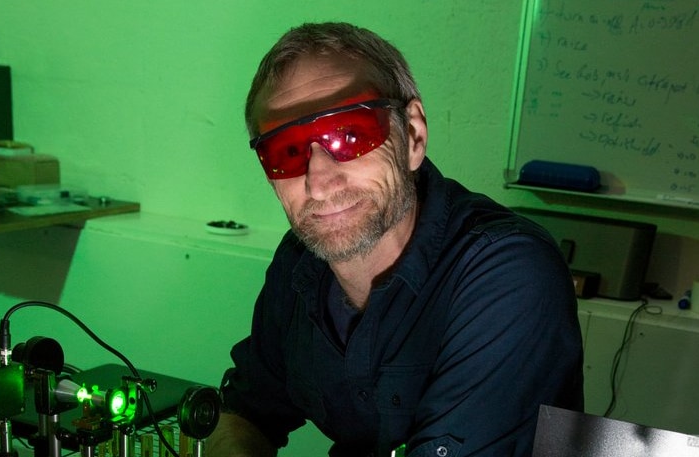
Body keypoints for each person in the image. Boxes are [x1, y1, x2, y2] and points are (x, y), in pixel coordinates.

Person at [206, 22, 583, 457]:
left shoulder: (508, 273)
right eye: (286, 152)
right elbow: (246, 413)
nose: (319, 181)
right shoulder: (299, 264)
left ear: (413, 137)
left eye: (349, 134)